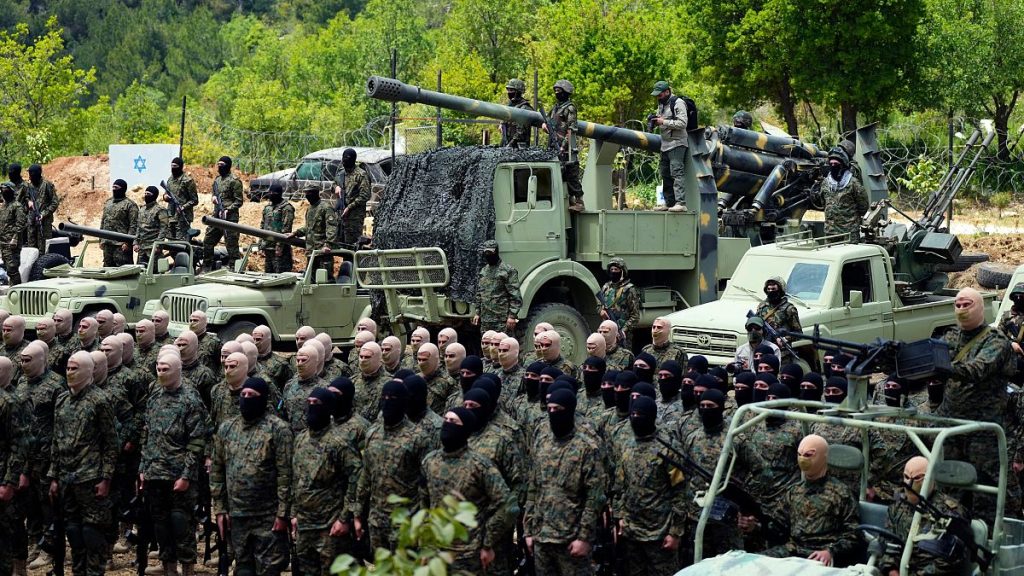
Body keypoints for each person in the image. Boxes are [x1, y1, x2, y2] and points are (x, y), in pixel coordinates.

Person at [938, 287, 1018, 520]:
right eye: (958, 305)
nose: (961, 309)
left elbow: (978, 369)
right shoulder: (950, 337)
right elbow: (929, 357)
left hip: (984, 432)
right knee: (951, 488)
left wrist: (943, 366)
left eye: (967, 305)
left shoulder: (996, 341)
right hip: (953, 428)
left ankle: (1004, 532)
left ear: (981, 308)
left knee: (991, 491)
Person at [210, 376, 293, 576]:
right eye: (243, 394)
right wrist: (220, 508)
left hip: (268, 516)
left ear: (263, 398)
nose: (246, 398)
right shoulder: (227, 428)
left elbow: (286, 474)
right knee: (243, 569)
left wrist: (283, 514)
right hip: (237, 516)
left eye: (252, 395)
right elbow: (217, 470)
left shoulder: (278, 429)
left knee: (269, 570)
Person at [48, 351, 119, 576]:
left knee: (92, 532)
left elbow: (111, 442)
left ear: (88, 371)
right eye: (68, 368)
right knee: (73, 531)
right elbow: (56, 439)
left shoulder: (100, 400)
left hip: (90, 477)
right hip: (66, 477)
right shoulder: (61, 400)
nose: (70, 373)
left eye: (75, 368)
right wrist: (53, 476)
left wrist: (106, 478)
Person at [139, 354, 210, 576]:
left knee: (181, 524)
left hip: (179, 474)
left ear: (178, 370)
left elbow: (197, 441)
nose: (161, 373)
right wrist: (143, 468)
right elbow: (147, 434)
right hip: (155, 474)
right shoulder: (154, 398)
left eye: (166, 369)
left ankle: (188, 569)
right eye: (158, 369)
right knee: (161, 526)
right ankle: (169, 568)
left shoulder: (190, 400)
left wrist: (186, 475)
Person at [423, 407, 517, 572]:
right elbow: (423, 500)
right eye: (445, 419)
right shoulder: (430, 461)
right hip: (436, 550)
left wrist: (488, 541)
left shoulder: (479, 466)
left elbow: (508, 505)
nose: (447, 424)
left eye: (453, 421)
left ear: (465, 429)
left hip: (468, 554)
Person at [524, 388, 604, 574]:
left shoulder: (586, 447)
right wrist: (528, 530)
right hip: (542, 536)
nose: (553, 413)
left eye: (558, 409)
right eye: (550, 409)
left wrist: (584, 537)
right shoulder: (542, 442)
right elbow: (533, 488)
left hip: (571, 539)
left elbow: (595, 497)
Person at [353, 381, 433, 550]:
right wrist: (358, 514)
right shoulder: (373, 434)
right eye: (384, 398)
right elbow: (365, 476)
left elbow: (427, 484)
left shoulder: (418, 438)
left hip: (406, 522)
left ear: (403, 402)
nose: (388, 402)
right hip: (377, 521)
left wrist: (425, 523)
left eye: (393, 398)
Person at [291, 388, 362, 576]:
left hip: (330, 527)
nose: (312, 407)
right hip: (305, 525)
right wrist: (294, 514)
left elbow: (356, 479)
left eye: (317, 403)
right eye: (309, 402)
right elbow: (296, 479)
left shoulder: (339, 442)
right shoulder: (300, 440)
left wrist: (345, 518)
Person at [761, 434, 861, 566]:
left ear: (823, 457)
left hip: (821, 555)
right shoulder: (793, 491)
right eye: (800, 455)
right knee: (758, 563)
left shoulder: (841, 493)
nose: (803, 459)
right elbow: (777, 527)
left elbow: (853, 534)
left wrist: (830, 552)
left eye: (808, 455)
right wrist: (755, 526)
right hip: (793, 550)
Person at [612, 396, 685, 574]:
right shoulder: (627, 445)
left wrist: (675, 532)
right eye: (633, 414)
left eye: (640, 415)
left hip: (659, 533)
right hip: (631, 531)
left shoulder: (668, 448)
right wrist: (619, 517)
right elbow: (620, 485)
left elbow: (681, 492)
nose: (635, 418)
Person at [879, 456, 969, 576]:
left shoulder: (950, 512)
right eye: (906, 477)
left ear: (930, 479)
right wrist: (892, 570)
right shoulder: (897, 507)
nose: (909, 484)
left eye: (917, 478)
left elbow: (950, 559)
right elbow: (887, 543)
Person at [811, 146, 868, 243]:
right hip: (830, 232)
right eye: (831, 163)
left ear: (843, 165)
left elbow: (863, 206)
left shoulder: (853, 183)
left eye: (836, 164)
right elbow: (823, 203)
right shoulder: (825, 183)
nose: (833, 166)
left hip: (849, 234)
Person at [650, 80, 688, 212]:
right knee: (665, 174)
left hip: (677, 143)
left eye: (659, 95)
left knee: (676, 172)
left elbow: (683, 123)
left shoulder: (678, 103)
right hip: (665, 144)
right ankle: (669, 203)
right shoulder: (661, 104)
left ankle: (681, 203)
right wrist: (655, 121)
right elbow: (663, 121)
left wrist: (663, 122)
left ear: (667, 92)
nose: (658, 97)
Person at [202, 156, 244, 271]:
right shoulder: (217, 180)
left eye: (222, 165)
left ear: (228, 166)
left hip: (229, 218)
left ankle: (234, 268)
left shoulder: (234, 181)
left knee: (231, 244)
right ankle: (207, 266)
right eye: (218, 164)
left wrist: (228, 209)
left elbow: (239, 201)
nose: (219, 167)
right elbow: (214, 193)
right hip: (216, 217)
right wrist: (214, 198)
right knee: (208, 240)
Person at [548, 79, 584, 211]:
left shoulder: (570, 108)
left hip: (565, 147)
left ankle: (579, 202)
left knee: (571, 173)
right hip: (554, 144)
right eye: (555, 91)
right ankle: (568, 201)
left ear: (566, 92)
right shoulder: (555, 108)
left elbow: (571, 129)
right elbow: (549, 121)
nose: (556, 93)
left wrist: (563, 146)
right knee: (559, 174)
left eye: (559, 91)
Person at [472, 240, 522, 333]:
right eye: (486, 252)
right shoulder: (484, 271)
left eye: (491, 252)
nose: (488, 255)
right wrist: (477, 313)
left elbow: (515, 295)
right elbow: (480, 293)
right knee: (486, 342)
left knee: (503, 341)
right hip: (486, 320)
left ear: (496, 252)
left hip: (502, 320)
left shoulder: (507, 270)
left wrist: (512, 316)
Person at [290, 186, 337, 279]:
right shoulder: (310, 209)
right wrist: (295, 233)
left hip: (322, 252)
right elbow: (309, 228)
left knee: (325, 279)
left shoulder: (326, 208)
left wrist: (328, 244)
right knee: (311, 280)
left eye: (309, 194)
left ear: (316, 194)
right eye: (306, 194)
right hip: (311, 252)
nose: (307, 196)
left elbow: (332, 227)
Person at [282, 345, 328, 433]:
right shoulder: (289, 385)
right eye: (298, 360)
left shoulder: (324, 389)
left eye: (303, 360)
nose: (299, 364)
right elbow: (283, 412)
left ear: (314, 362)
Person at [756, 277, 802, 361]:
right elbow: (756, 324)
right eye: (769, 289)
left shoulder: (789, 309)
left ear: (780, 290)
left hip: (782, 353)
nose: (771, 291)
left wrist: (785, 339)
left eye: (774, 289)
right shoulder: (762, 306)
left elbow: (798, 333)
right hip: (764, 352)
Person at [597, 258, 640, 344]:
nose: (613, 271)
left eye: (616, 269)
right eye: (611, 269)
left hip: (623, 333)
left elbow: (635, 316)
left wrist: (623, 330)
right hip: (607, 331)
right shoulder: (606, 287)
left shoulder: (629, 289)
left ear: (622, 271)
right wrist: (601, 311)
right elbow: (598, 305)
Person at [334, 148, 370, 246]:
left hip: (354, 217)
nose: (345, 161)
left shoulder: (361, 175)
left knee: (351, 245)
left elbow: (365, 195)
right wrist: (336, 187)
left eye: (348, 159)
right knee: (339, 244)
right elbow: (334, 184)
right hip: (340, 214)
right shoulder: (341, 173)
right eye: (344, 159)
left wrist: (349, 207)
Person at [100, 178, 140, 267]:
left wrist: (128, 242)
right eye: (113, 187)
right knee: (107, 269)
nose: (114, 189)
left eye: (116, 187)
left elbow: (134, 225)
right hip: (108, 243)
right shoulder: (108, 202)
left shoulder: (130, 205)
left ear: (123, 189)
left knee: (123, 269)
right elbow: (103, 221)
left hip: (121, 245)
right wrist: (101, 239)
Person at [21, 163, 59, 252]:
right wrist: (28, 201)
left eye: (31, 174)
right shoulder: (28, 186)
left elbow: (54, 203)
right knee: (31, 250)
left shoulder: (47, 185)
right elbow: (25, 198)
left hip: (44, 224)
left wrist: (43, 214)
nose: (29, 177)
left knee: (44, 250)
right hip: (31, 223)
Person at [260, 183, 295, 274]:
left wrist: (279, 246)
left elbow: (286, 229)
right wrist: (261, 244)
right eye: (270, 193)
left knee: (280, 275)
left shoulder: (287, 208)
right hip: (268, 247)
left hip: (279, 250)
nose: (271, 195)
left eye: (273, 193)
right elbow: (262, 226)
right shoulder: (267, 208)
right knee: (268, 275)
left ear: (279, 194)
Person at [164, 157, 199, 240]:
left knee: (180, 242)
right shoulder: (170, 179)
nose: (173, 168)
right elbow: (166, 194)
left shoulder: (188, 181)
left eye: (175, 166)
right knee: (170, 241)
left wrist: (183, 207)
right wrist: (165, 197)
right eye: (172, 166)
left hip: (183, 217)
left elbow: (194, 200)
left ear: (180, 167)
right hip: (171, 216)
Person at [135, 186, 169, 267]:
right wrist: (135, 242)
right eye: (145, 193)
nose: (146, 195)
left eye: (148, 194)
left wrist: (158, 245)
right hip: (142, 248)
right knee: (140, 270)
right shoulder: (142, 209)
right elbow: (139, 227)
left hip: (153, 248)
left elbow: (164, 229)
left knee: (154, 271)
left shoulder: (160, 210)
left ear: (154, 195)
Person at [0, 182, 26, 285]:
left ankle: (17, 289)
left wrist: (15, 238)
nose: (3, 192)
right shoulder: (4, 206)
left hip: (12, 243)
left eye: (5, 190)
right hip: (3, 242)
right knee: (7, 267)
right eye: (2, 190)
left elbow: (21, 223)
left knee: (12, 268)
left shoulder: (17, 206)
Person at [501, 78, 534, 149]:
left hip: (519, 148)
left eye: (511, 90)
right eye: (508, 90)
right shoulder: (509, 106)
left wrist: (510, 145)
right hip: (507, 145)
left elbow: (521, 132)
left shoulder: (525, 108)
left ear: (518, 91)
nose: (509, 92)